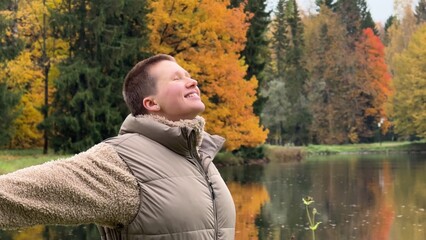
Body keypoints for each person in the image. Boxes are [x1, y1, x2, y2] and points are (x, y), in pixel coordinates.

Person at [0, 54, 236, 240]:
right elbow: (14, 195)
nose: (192, 81)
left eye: (189, 75)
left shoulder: (200, 157)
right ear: (151, 103)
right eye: (177, 78)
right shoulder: (121, 162)